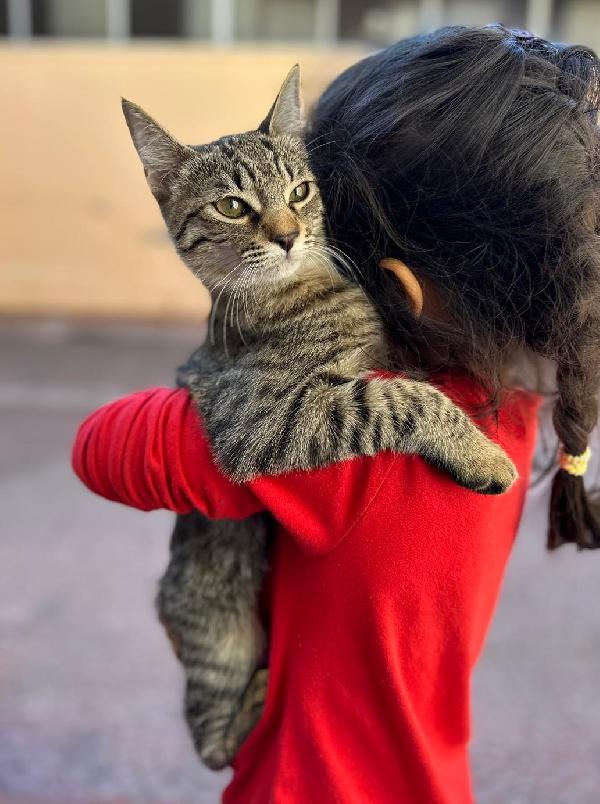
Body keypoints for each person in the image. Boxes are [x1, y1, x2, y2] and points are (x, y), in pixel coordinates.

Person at [72, 25, 600, 803]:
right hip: (431, 773)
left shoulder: (360, 458)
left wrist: (217, 391)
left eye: (306, 199)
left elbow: (98, 449)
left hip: (304, 782)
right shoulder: (514, 402)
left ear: (400, 284)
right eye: (238, 210)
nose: (284, 232)